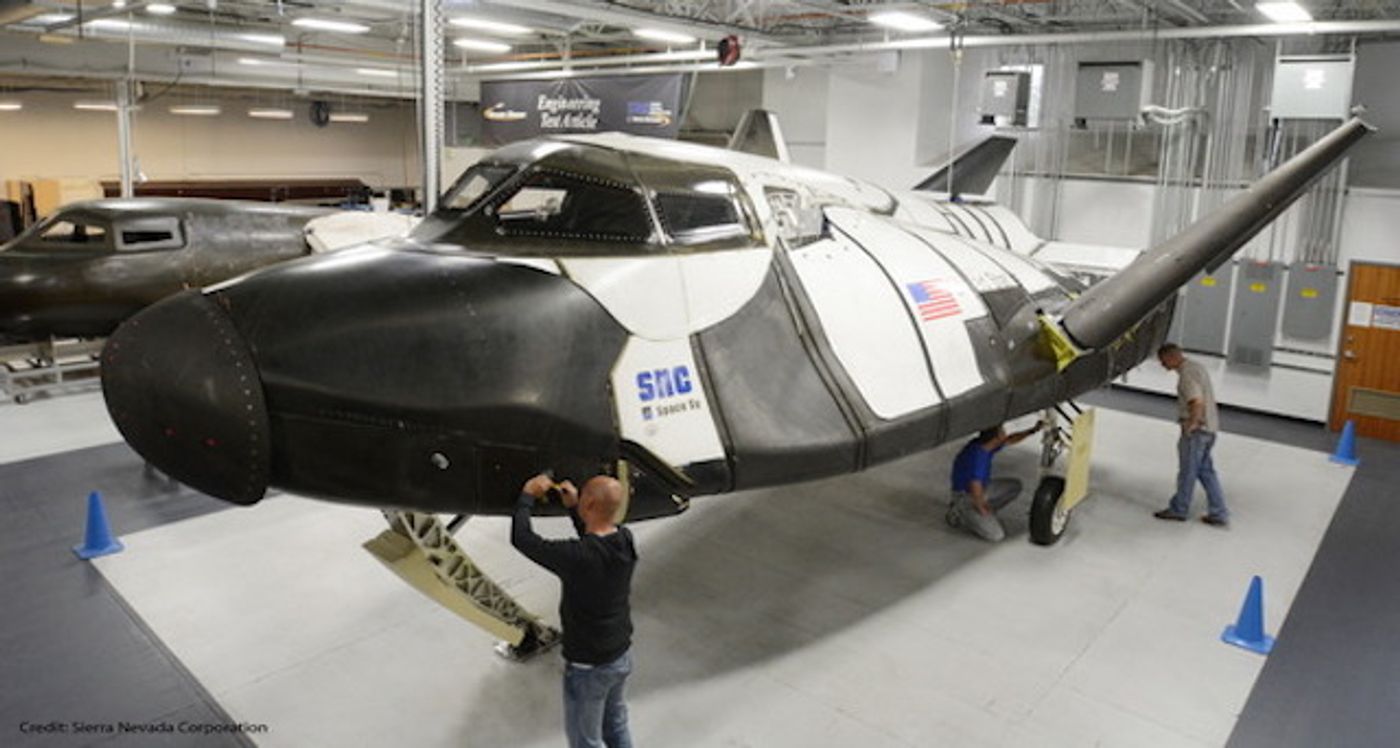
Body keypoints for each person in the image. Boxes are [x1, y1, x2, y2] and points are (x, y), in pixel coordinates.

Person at [512, 473, 638, 748]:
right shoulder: (625, 541)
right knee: (616, 724)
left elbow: (522, 539)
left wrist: (527, 496)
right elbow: (595, 542)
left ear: (590, 504)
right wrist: (573, 508)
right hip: (620, 654)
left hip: (589, 666)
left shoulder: (577, 557)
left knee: (586, 741)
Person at [1153, 343, 1229, 526]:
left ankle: (1179, 509)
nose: (1162, 365)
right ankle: (1219, 512)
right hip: (1211, 429)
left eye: (1163, 361)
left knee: (1188, 472)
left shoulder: (1186, 376)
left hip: (1198, 432)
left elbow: (1196, 401)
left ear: (1172, 357)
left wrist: (1192, 424)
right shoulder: (1197, 367)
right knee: (1206, 472)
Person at [945, 422, 1043, 542]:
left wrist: (1032, 431)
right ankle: (960, 512)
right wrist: (982, 509)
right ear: (996, 437)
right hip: (967, 496)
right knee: (996, 535)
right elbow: (975, 487)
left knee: (1014, 486)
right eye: (1002, 431)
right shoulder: (978, 459)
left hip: (981, 488)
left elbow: (1011, 440)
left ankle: (980, 513)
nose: (1004, 432)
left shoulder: (985, 445)